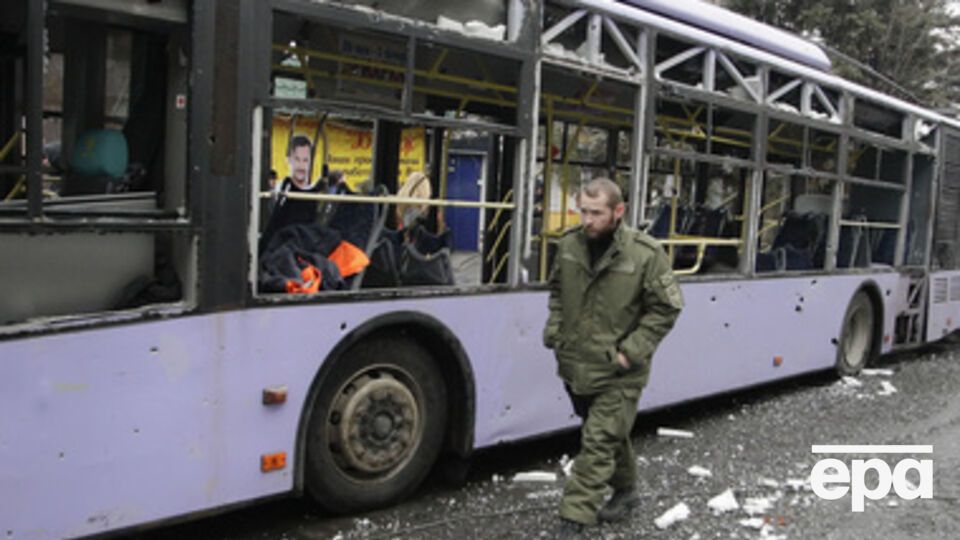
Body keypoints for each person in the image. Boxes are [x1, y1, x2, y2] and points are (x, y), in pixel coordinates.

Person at [542, 177, 683, 538]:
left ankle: (573, 519)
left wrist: (629, 354)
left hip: (621, 372)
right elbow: (557, 292)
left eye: (596, 213)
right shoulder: (569, 245)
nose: (587, 220)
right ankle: (627, 491)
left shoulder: (646, 254)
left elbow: (666, 308)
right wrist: (556, 332)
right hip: (576, 365)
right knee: (608, 434)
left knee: (598, 442)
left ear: (618, 211)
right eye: (583, 212)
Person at [261, 135, 323, 249]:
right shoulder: (278, 192)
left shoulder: (317, 196)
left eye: (305, 160)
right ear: (289, 160)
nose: (301, 166)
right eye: (297, 159)